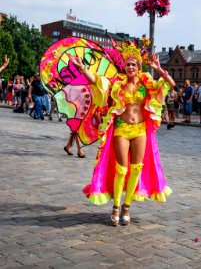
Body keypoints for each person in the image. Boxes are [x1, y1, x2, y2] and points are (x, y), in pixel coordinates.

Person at [67, 40, 175, 226]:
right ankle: (116, 206)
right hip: (121, 129)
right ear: (124, 67)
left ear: (139, 66)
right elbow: (96, 81)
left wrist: (158, 69)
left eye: (134, 64)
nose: (130, 67)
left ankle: (126, 206)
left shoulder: (146, 82)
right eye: (128, 64)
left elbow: (171, 85)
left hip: (140, 129)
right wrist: (82, 68)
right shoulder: (117, 83)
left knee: (136, 168)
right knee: (121, 169)